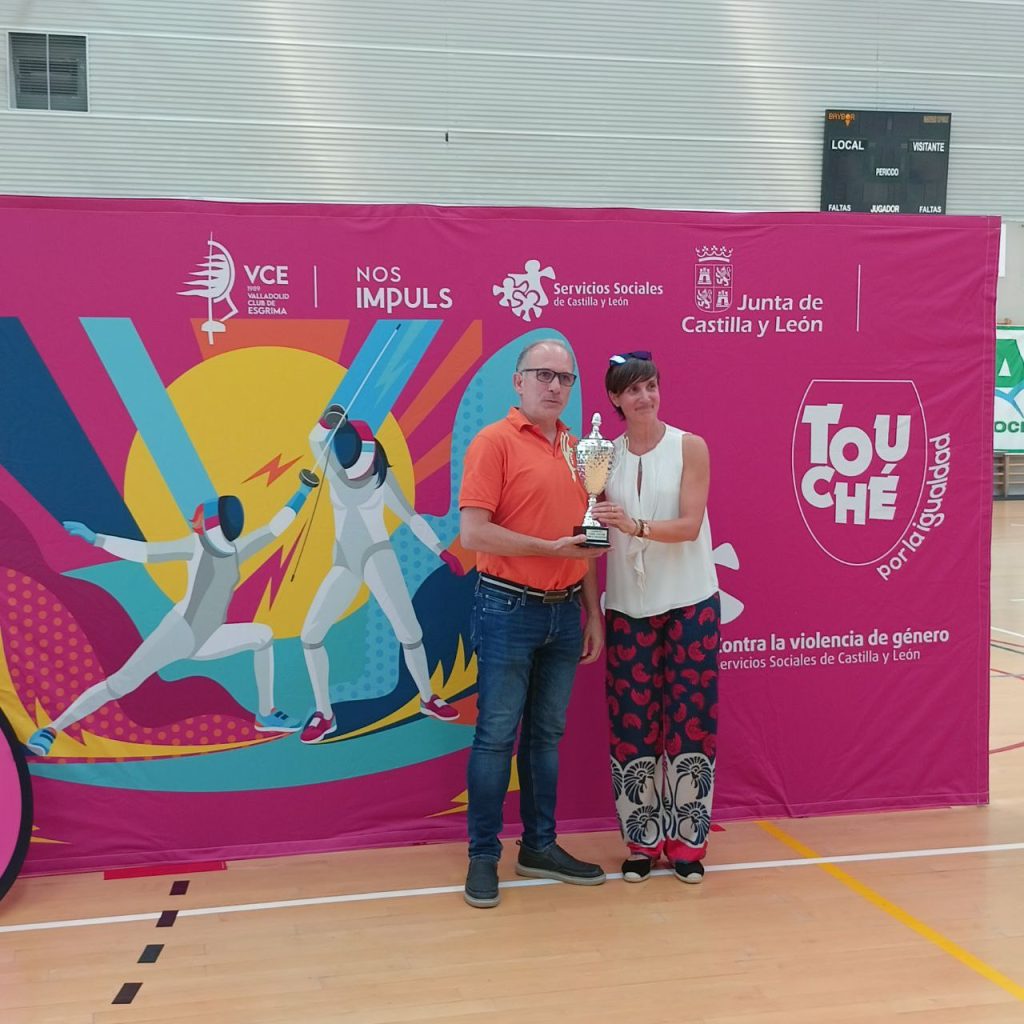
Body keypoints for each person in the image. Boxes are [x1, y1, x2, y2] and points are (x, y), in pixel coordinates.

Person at [25, 470, 320, 756]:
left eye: (200, 519)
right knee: (120, 684)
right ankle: (51, 730)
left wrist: (303, 491)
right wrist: (98, 539)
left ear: (211, 525)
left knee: (262, 636)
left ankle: (265, 714)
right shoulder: (196, 548)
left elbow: (275, 528)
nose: (195, 523)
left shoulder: (236, 550)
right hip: (178, 632)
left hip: (209, 636)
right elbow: (147, 553)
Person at [458, 339, 606, 909]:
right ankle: (483, 855)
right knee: (496, 737)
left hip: (565, 613)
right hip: (506, 607)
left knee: (546, 737)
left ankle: (539, 846)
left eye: (565, 378)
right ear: (518, 381)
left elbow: (585, 538)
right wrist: (549, 549)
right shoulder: (493, 442)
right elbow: (474, 533)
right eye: (543, 375)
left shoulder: (580, 450)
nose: (555, 386)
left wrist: (592, 611)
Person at [591, 350, 721, 885]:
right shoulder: (601, 457)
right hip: (628, 607)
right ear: (615, 399)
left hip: (691, 601)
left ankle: (688, 844)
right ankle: (641, 842)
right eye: (633, 390)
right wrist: (593, 611)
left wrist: (635, 525)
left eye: (651, 386)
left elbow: (689, 525)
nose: (645, 397)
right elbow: (591, 536)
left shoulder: (690, 446)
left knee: (692, 721)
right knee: (631, 724)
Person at [298, 407, 462, 744]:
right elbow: (315, 440)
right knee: (310, 635)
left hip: (378, 557)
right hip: (344, 562)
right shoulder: (335, 472)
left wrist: (440, 550)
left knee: (410, 633)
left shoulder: (381, 479)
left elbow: (411, 517)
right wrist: (328, 421)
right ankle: (324, 714)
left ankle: (428, 697)